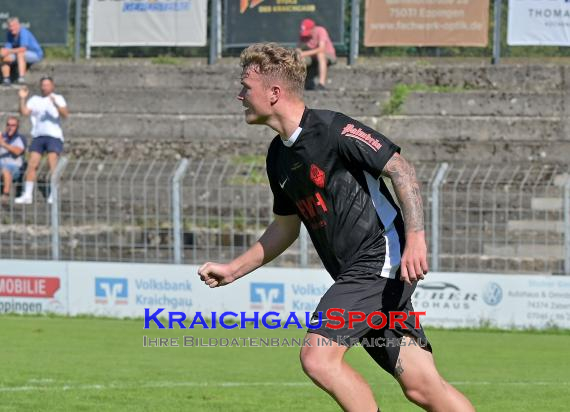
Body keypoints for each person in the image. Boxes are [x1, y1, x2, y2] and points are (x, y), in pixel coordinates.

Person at [198, 43, 475, 412]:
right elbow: (285, 228)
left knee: (318, 358)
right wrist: (234, 269)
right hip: (362, 273)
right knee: (423, 386)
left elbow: (401, 169)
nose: (240, 95)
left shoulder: (333, 128)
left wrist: (417, 240)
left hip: (380, 262)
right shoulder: (277, 155)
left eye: (246, 87)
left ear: (274, 93)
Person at [15, 76, 68, 205]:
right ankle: (27, 195)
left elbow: (65, 114)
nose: (45, 87)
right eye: (43, 85)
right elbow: (24, 112)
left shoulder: (58, 98)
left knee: (52, 165)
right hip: (38, 135)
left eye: (47, 85)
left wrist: (55, 103)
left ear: (52, 86)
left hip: (53, 136)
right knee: (32, 164)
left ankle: (53, 194)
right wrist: (22, 98)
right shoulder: (35, 100)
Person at [1, 17, 44, 85]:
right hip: (19, 54)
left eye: (13, 26)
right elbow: (7, 49)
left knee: (21, 53)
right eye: (10, 26)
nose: (12, 28)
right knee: (4, 57)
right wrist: (3, 53)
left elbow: (23, 49)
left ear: (18, 25)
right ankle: (6, 79)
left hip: (35, 54)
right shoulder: (10, 34)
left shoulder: (23, 32)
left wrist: (8, 51)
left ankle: (21, 78)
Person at [297, 18, 336, 90]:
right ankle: (298, 82)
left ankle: (321, 84)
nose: (306, 34)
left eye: (308, 31)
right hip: (311, 56)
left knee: (320, 54)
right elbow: (299, 49)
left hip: (327, 54)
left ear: (313, 28)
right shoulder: (303, 35)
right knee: (298, 58)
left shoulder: (321, 31)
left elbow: (322, 49)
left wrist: (303, 53)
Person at [0, 116, 26, 204]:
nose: (10, 127)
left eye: (13, 125)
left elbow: (18, 151)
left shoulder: (20, 138)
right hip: (1, 163)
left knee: (6, 169)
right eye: (8, 125)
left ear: (17, 127)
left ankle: (5, 194)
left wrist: (3, 144)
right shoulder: (2, 136)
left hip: (15, 167)